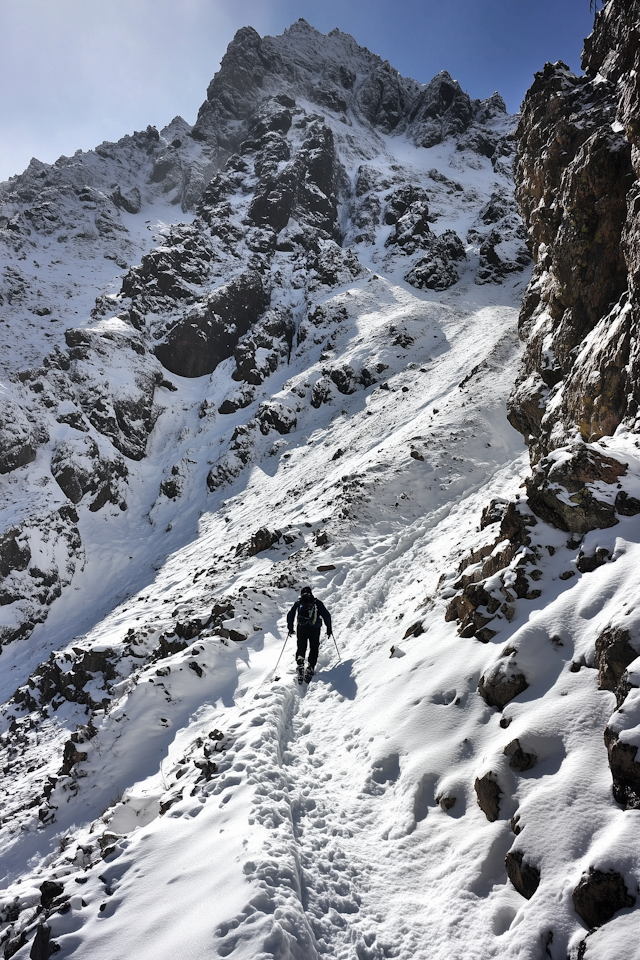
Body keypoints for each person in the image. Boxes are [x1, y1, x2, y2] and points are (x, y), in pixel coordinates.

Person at [287, 585, 332, 683]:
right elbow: (327, 615)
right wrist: (329, 628)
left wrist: (290, 628)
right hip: (315, 629)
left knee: (301, 646)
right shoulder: (316, 603)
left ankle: (300, 663)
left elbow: (290, 615)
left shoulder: (299, 603)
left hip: (301, 628)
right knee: (314, 647)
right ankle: (310, 667)